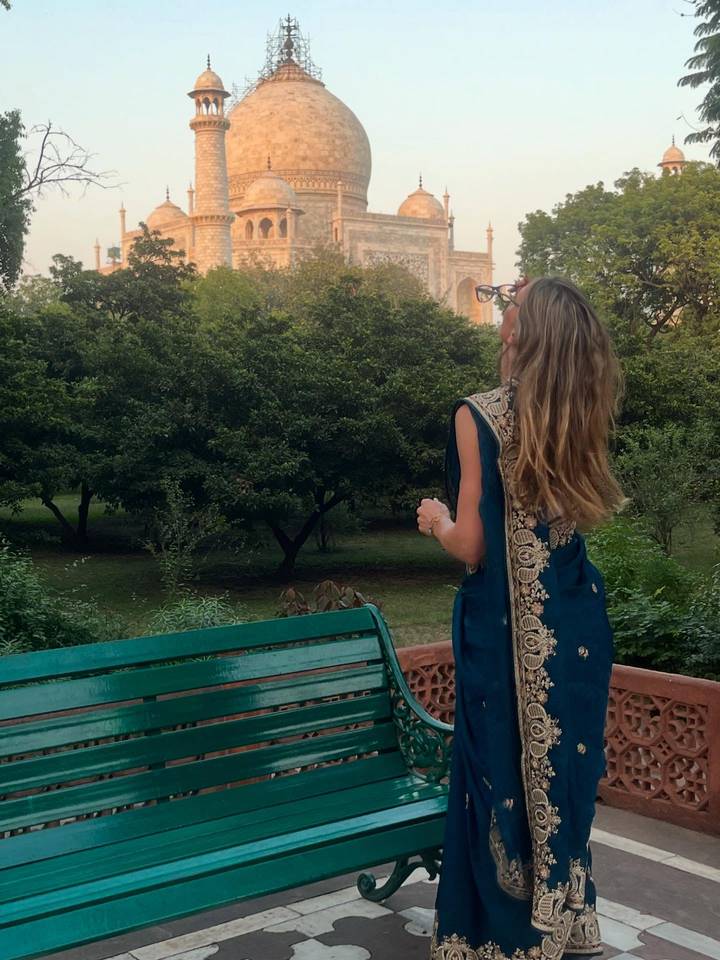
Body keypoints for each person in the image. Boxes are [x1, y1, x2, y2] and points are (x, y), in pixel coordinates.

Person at [416, 277, 624, 960]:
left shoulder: (479, 415)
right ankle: (566, 916)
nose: (502, 304)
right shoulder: (579, 408)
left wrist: (437, 521)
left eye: (511, 299)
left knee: (499, 767)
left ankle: (504, 937)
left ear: (519, 332)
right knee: (562, 764)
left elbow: (473, 546)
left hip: (502, 630)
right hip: (574, 619)